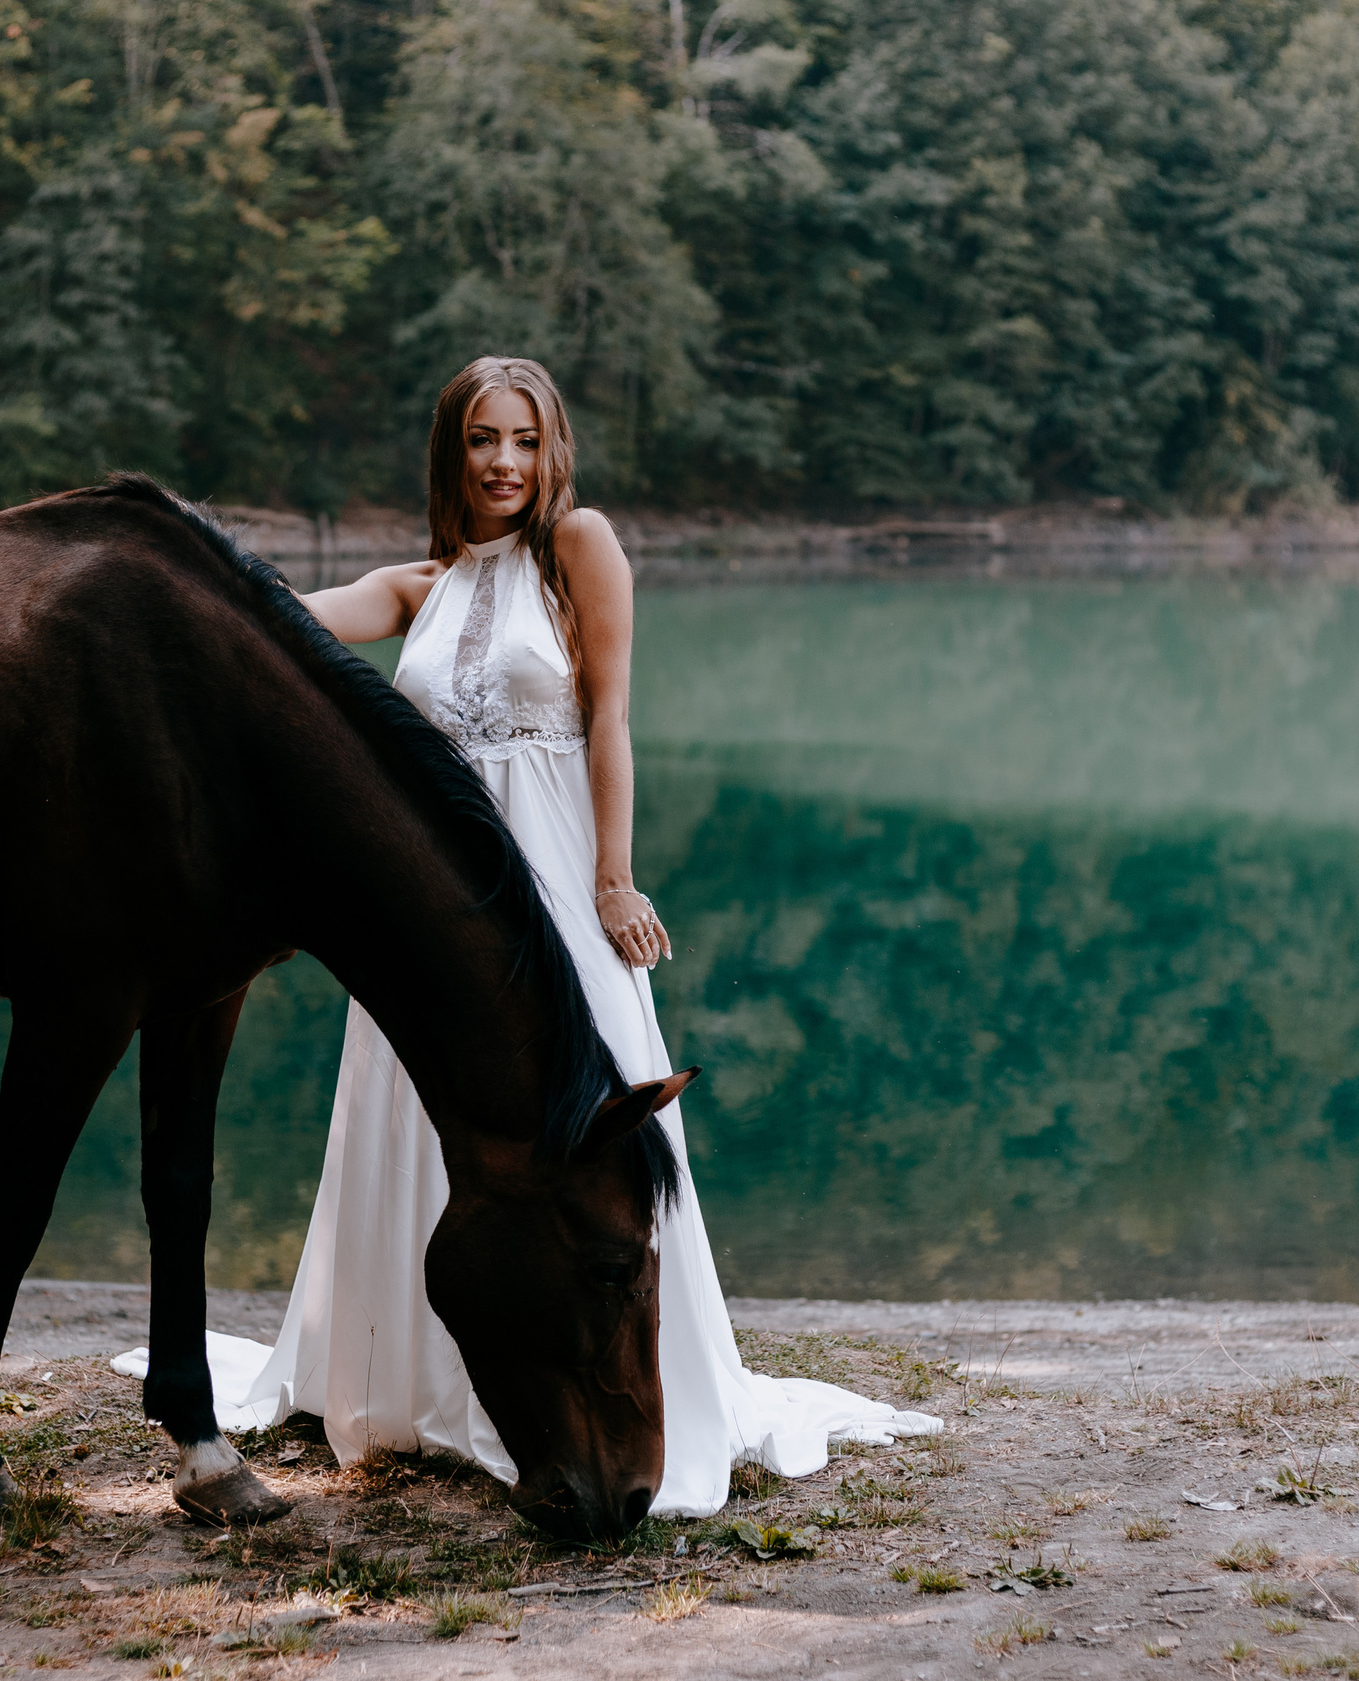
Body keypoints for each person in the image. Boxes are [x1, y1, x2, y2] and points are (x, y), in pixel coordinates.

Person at [117, 355, 937, 1516]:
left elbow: (609, 717)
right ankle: (407, 1382)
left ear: (553, 452)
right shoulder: (418, 586)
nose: (503, 462)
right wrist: (171, 573)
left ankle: (633, 1388)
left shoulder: (580, 549)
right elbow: (275, 623)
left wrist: (613, 879)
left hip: (555, 883)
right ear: (451, 452)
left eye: (523, 440)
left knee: (591, 1142)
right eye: (479, 440)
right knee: (416, 1113)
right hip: (430, 912)